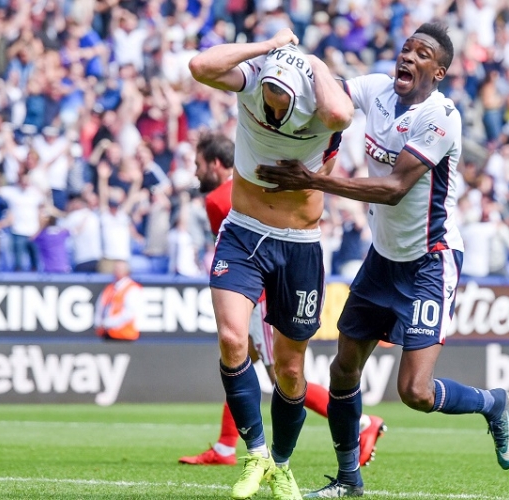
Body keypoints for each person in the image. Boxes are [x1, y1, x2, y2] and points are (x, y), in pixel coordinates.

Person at [256, 22, 509, 498]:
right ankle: (348, 480)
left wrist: (313, 180)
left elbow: (394, 189)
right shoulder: (377, 89)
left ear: (438, 72)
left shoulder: (440, 117)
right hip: (382, 258)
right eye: (406, 49)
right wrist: (294, 69)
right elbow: (329, 95)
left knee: (415, 392)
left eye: (422, 54)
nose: (408, 57)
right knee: (343, 370)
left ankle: (493, 403)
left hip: (430, 261)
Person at [187, 28, 355, 500]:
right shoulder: (254, 80)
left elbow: (342, 114)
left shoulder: (320, 103)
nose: (272, 109)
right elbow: (200, 66)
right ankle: (255, 453)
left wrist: (312, 62)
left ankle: (281, 464)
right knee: (232, 338)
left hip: (299, 243)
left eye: (282, 102)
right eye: (268, 98)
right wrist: (267, 48)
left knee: (290, 370)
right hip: (243, 232)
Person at [178, 132, 386, 469]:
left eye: (199, 164)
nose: (196, 172)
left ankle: (362, 423)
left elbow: (245, 252)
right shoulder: (255, 181)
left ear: (216, 164)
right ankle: (226, 445)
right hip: (272, 285)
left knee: (280, 376)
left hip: (259, 297)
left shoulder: (220, 199)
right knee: (241, 361)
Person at [94, 260, 142, 341]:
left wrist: (108, 323)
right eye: (116, 268)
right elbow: (100, 306)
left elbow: (129, 313)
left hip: (125, 335)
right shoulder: (110, 287)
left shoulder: (132, 288)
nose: (117, 271)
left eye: (120, 268)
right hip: (107, 334)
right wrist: (99, 323)